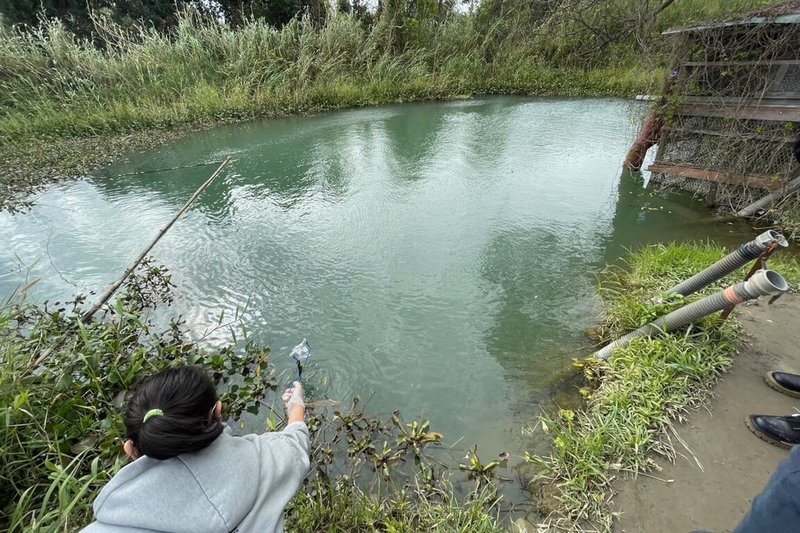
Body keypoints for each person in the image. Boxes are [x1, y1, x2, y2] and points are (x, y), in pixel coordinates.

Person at [81, 365, 309, 533]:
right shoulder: (265, 459)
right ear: (218, 412)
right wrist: (296, 404)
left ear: (131, 450)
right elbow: (295, 441)